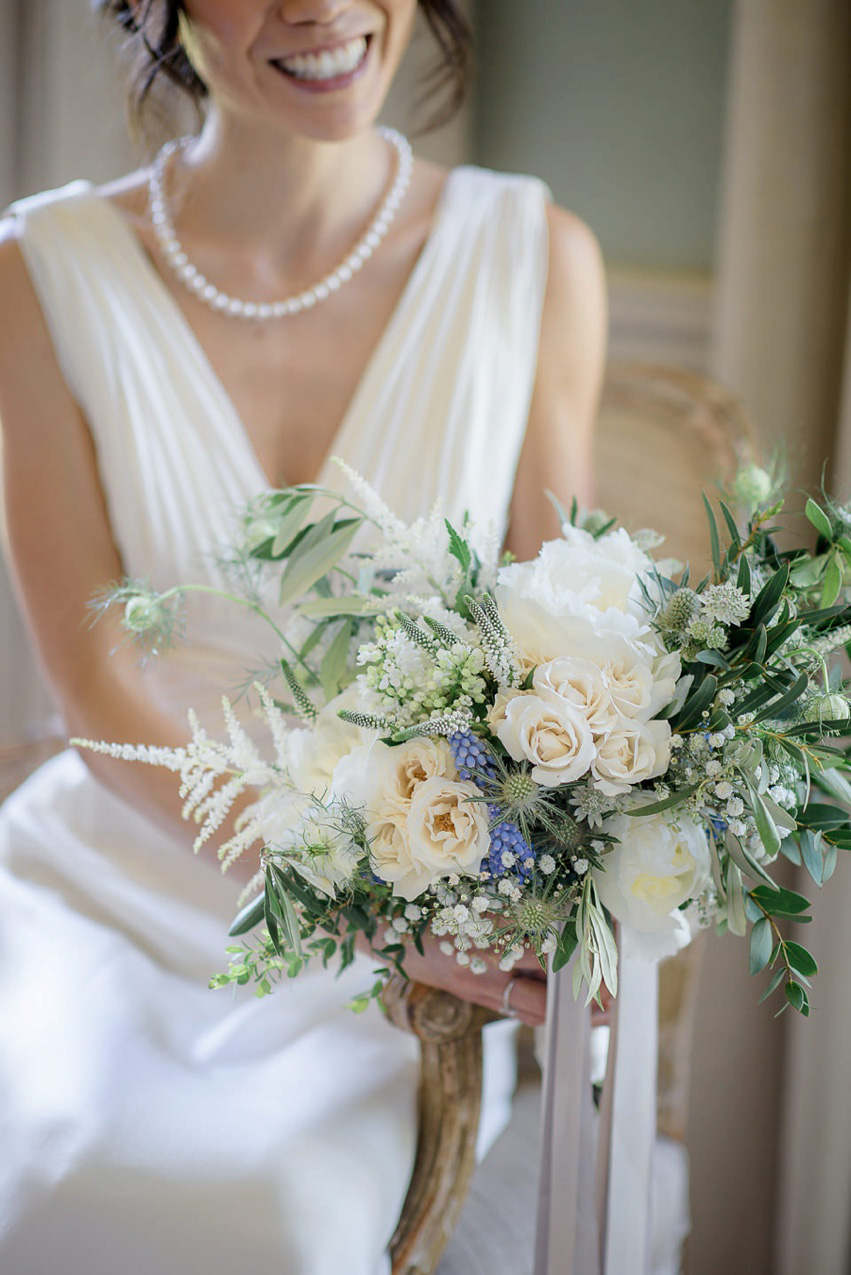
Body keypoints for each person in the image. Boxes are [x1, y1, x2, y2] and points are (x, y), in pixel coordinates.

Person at [0, 2, 607, 1272]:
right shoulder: (37, 268)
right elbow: (96, 687)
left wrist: (495, 899)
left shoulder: (531, 257)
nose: (322, 8)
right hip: (114, 873)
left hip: (402, 901)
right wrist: (355, 899)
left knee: (261, 1211)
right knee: (44, 1158)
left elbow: (559, 647)